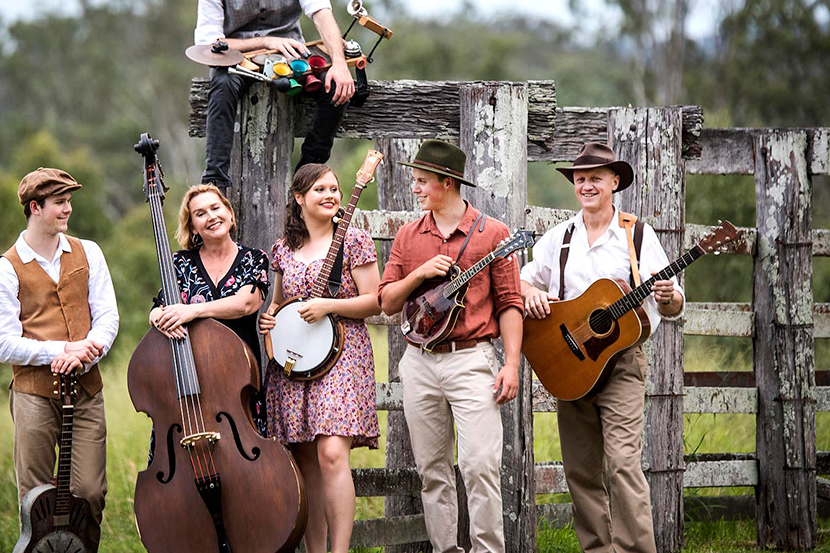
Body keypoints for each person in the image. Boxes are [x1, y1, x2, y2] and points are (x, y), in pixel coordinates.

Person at [520, 142, 684, 553]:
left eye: (596, 178)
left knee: (625, 465)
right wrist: (528, 293)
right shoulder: (559, 238)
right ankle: (597, 548)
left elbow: (675, 302)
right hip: (569, 363)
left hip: (622, 364)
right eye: (580, 179)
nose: (587, 186)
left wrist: (666, 296)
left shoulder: (638, 235)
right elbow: (519, 280)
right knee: (580, 470)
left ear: (614, 182)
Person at [377, 140, 523, 553]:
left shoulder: (493, 234)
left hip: (472, 360)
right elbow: (387, 301)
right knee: (432, 471)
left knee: (479, 467)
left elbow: (511, 303)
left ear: (447, 183)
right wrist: (419, 273)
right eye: (415, 180)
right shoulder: (408, 235)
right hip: (419, 363)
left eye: (422, 181)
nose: (416, 188)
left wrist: (510, 364)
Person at [0, 167, 119, 549]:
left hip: (86, 389)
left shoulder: (88, 251)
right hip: (33, 395)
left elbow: (108, 316)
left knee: (91, 492)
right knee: (36, 501)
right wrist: (61, 350)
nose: (68, 209)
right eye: (60, 203)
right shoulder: (6, 270)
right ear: (35, 208)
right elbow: (2, 343)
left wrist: (88, 350)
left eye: (69, 201)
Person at [195, 0, 356, 194]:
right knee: (221, 85)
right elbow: (208, 42)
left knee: (338, 89)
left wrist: (339, 63)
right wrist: (264, 42)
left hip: (291, 54)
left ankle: (306, 178)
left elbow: (320, 10)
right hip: (238, 61)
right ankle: (214, 184)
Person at [258, 163, 380, 553]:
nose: (330, 196)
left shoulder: (355, 241)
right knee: (305, 461)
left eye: (335, 189)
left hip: (343, 357)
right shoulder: (283, 249)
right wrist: (268, 319)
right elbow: (278, 303)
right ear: (299, 198)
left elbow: (374, 301)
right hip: (294, 363)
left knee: (330, 454)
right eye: (320, 190)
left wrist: (328, 304)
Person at [149, 184, 270, 433]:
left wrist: (193, 311)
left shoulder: (254, 259)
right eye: (201, 213)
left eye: (216, 208)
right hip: (192, 383)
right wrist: (157, 318)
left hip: (241, 385)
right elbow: (159, 308)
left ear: (229, 213)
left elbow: (245, 304)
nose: (211, 216)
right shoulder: (180, 262)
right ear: (193, 226)